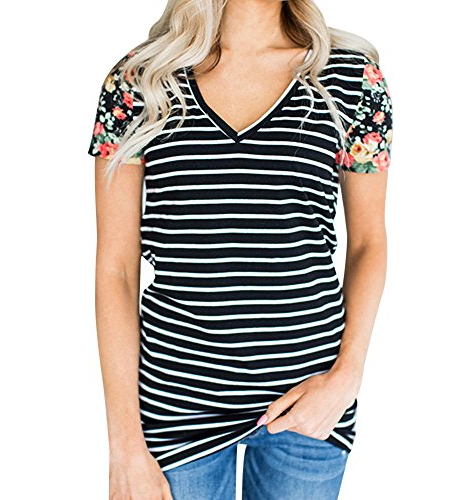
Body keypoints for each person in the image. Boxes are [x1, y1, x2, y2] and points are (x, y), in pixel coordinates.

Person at [87, 0, 393, 498]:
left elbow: (368, 242)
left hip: (310, 404)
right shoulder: (140, 80)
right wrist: (124, 446)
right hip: (176, 407)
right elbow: (115, 270)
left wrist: (346, 377)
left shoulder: (350, 79)